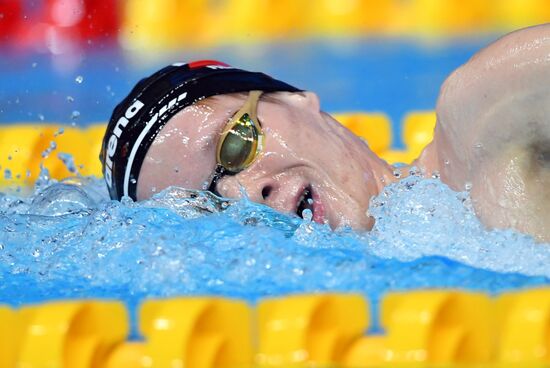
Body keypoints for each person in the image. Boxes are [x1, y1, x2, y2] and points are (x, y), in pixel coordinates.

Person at [101, 24, 550, 242]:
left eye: (235, 143)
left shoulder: (487, 122)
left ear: (297, 99)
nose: (242, 192)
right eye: (207, 204)